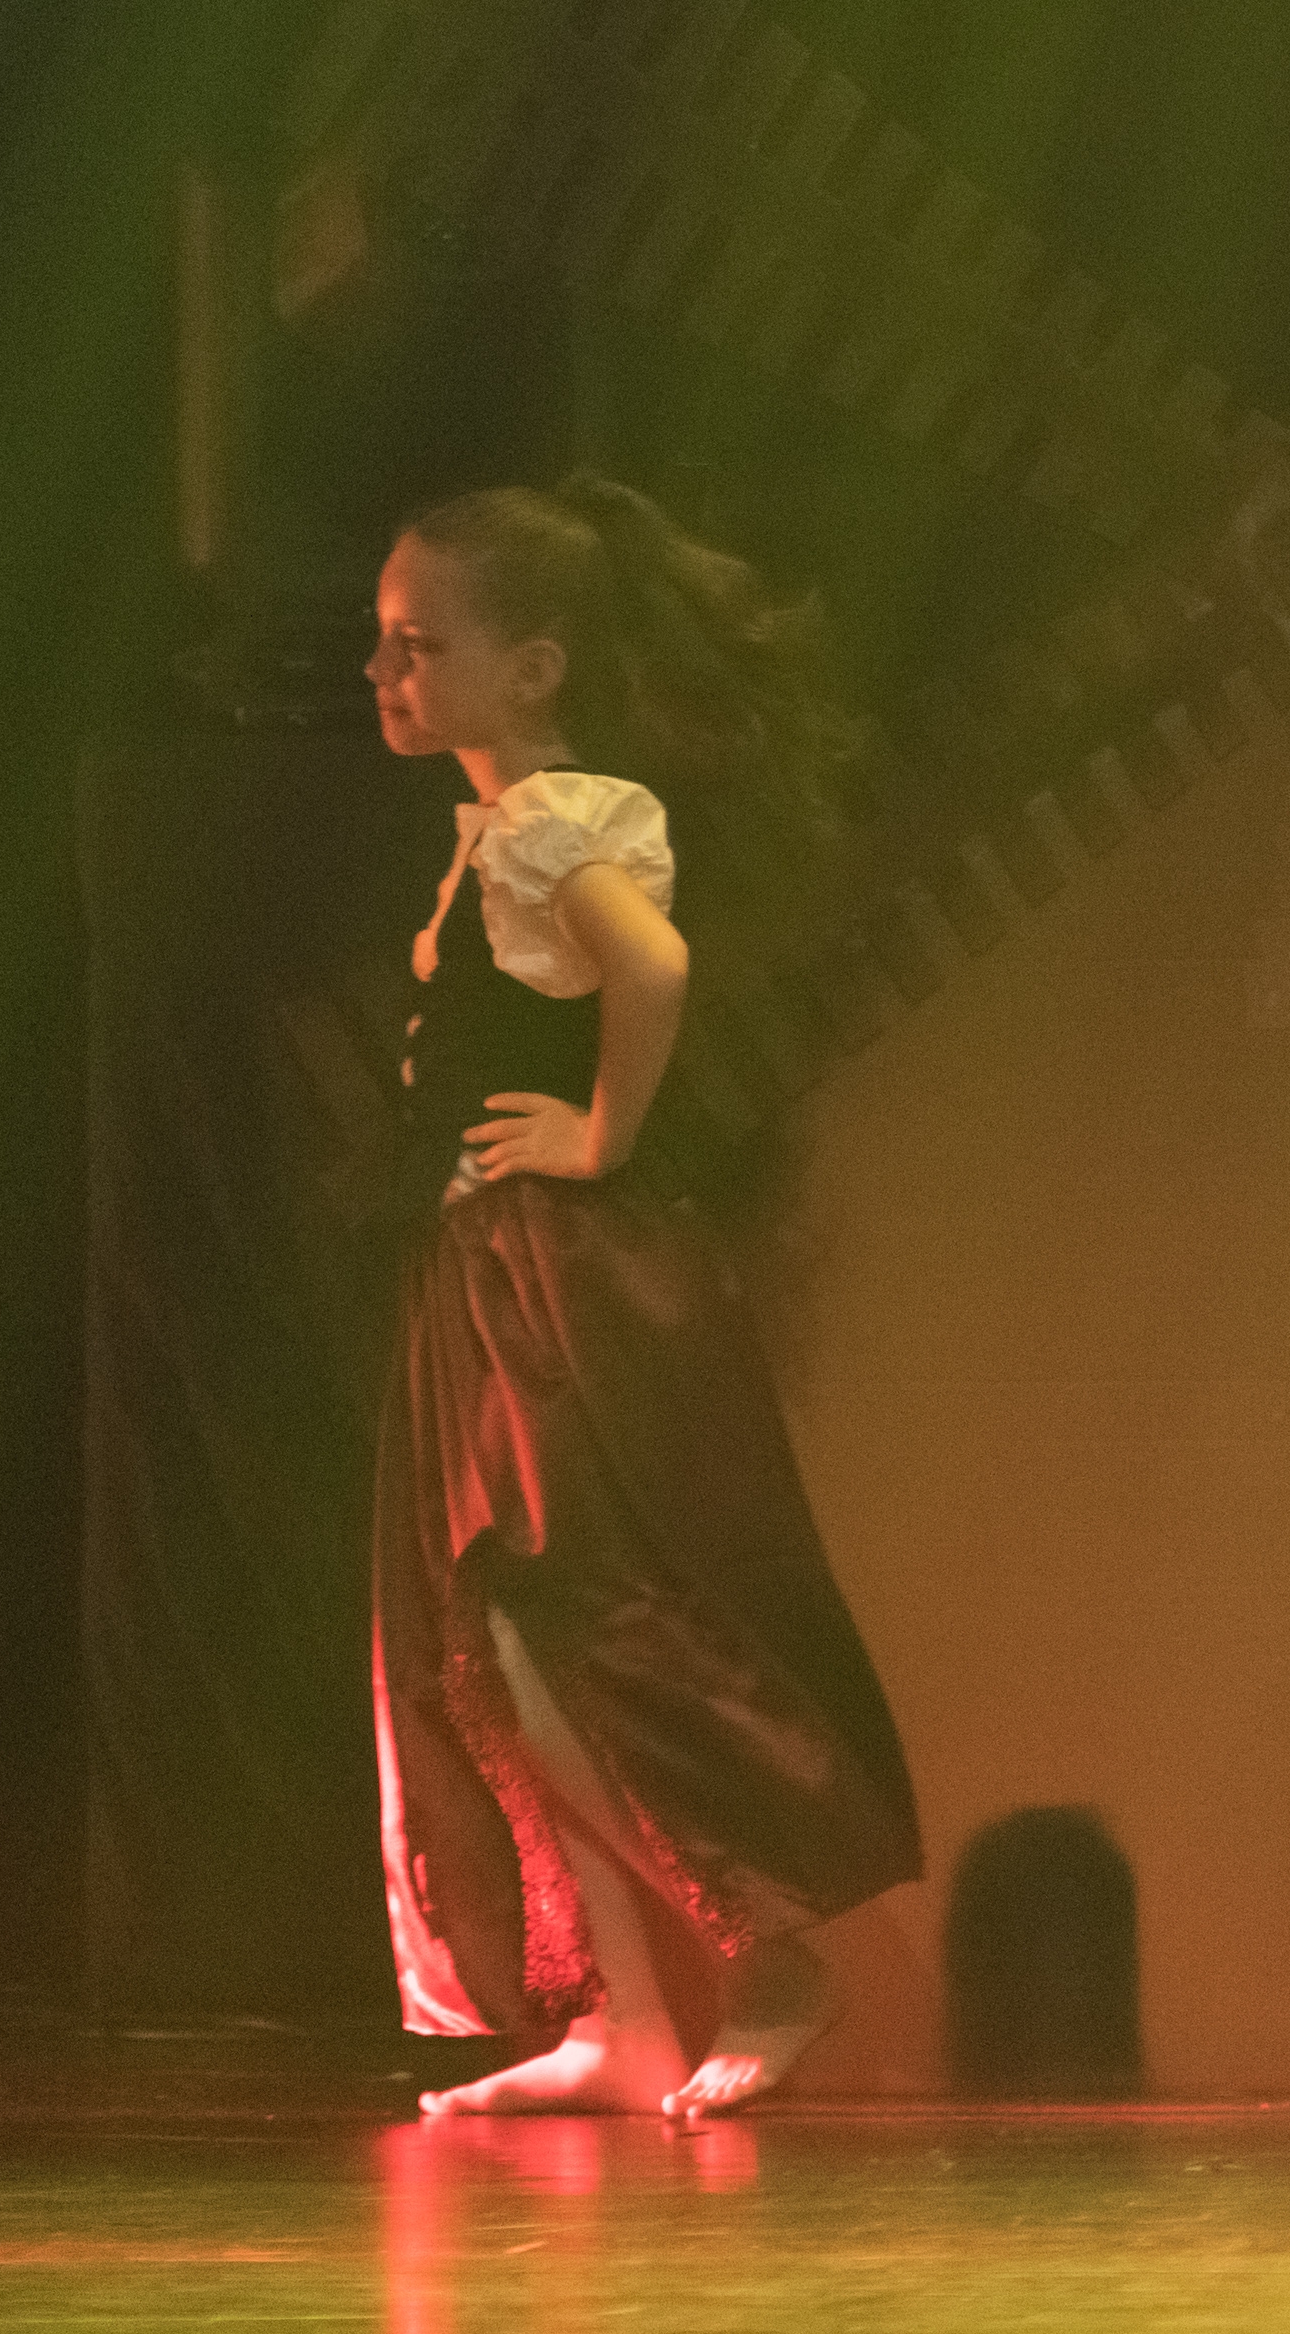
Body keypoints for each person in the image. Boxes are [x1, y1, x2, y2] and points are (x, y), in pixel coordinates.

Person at [364, 474, 922, 2120]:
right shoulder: (500, 829)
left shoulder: (552, 817)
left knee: (554, 1610)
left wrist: (601, 1134)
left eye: (419, 644)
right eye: (384, 642)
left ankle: (767, 1953)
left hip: (560, 1272)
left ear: (534, 666)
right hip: (488, 1266)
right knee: (486, 1640)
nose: (385, 672)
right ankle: (621, 2016)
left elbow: (656, 967)